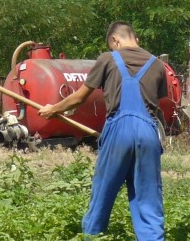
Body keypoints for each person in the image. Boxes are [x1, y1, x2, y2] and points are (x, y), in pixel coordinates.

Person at [38, 22, 167, 240]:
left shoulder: (108, 59)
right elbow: (158, 106)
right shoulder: (157, 65)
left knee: (102, 195)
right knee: (148, 198)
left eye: (112, 45)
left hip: (118, 132)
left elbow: (80, 97)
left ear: (115, 40)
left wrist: (54, 109)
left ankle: (92, 236)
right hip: (148, 132)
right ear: (135, 38)